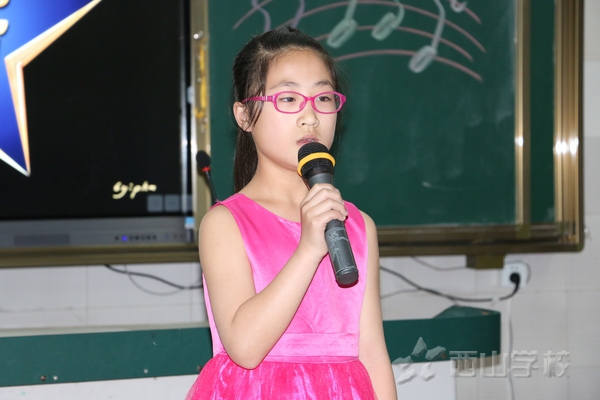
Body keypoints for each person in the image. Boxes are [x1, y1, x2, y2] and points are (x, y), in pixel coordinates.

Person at [185, 26, 397, 400]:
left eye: (324, 98)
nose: (310, 117)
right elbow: (245, 348)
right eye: (288, 98)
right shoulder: (225, 223)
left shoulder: (358, 225)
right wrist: (308, 249)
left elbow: (373, 353)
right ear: (244, 115)